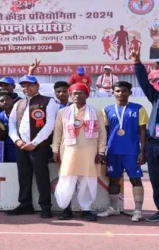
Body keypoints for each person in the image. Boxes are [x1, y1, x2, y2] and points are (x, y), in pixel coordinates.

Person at [52, 83, 106, 221]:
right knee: (66, 180)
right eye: (74, 93)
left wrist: (101, 152)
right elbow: (57, 133)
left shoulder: (97, 112)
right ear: (70, 95)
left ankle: (86, 210)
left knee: (87, 181)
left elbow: (102, 134)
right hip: (69, 151)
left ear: (87, 95)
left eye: (80, 93)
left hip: (90, 151)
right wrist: (55, 150)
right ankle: (66, 209)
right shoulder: (62, 112)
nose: (77, 96)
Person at [6, 75, 59, 218]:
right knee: (23, 176)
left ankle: (46, 207)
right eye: (24, 86)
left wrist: (34, 143)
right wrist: (17, 141)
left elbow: (50, 125)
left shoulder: (49, 101)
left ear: (37, 86)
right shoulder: (18, 103)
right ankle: (25, 204)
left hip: (40, 147)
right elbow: (11, 124)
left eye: (30, 85)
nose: (26, 88)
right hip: (21, 146)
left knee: (42, 176)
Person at [97, 81, 148, 222]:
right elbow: (104, 133)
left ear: (130, 93)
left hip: (132, 151)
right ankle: (113, 208)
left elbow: (143, 132)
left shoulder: (139, 109)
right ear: (113, 92)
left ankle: (137, 210)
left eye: (124, 91)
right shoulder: (107, 110)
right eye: (118, 91)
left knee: (135, 179)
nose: (121, 94)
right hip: (113, 151)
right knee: (114, 179)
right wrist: (102, 151)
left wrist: (142, 152)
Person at [132, 50, 159, 222]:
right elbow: (144, 84)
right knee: (156, 179)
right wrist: (137, 63)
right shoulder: (156, 97)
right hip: (154, 144)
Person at [0, 91, 16, 162]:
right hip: (8, 146)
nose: (4, 102)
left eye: (7, 99)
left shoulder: (21, 112)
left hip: (22, 145)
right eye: (1, 101)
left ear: (13, 100)